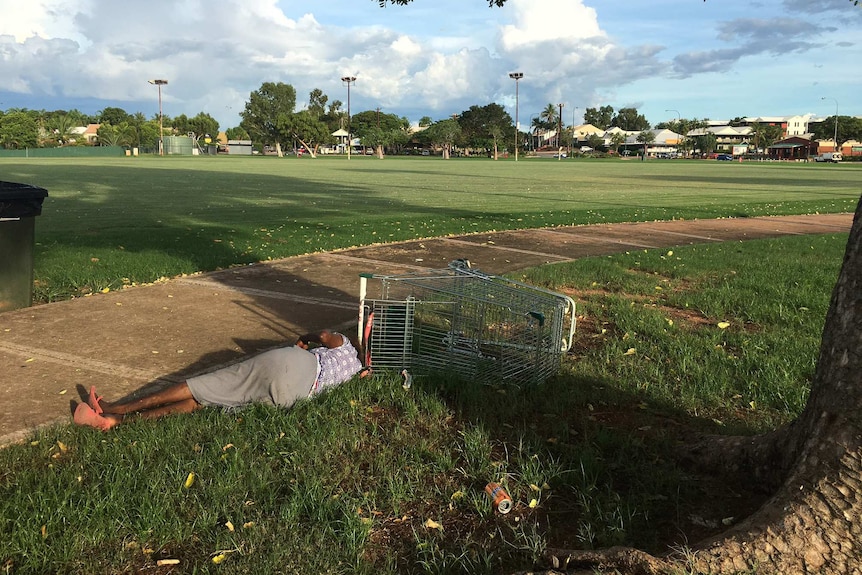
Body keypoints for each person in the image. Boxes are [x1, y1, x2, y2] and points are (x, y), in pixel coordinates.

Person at [73, 330, 363, 431]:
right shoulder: (356, 373)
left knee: (204, 385)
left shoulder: (346, 344)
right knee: (206, 400)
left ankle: (117, 408)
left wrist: (304, 338)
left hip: (294, 365)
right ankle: (116, 422)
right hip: (292, 398)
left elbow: (324, 337)